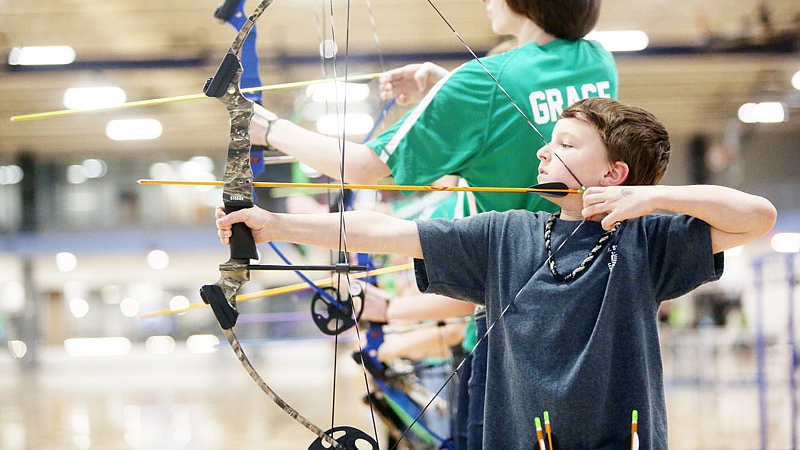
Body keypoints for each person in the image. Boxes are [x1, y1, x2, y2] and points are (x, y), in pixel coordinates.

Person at [217, 98, 777, 449]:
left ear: (614, 171)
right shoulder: (508, 233)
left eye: (564, 144)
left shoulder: (649, 241)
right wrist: (271, 224)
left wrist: (655, 198)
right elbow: (386, 233)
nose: (542, 151)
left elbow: (757, 217)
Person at [249, 0, 617, 448]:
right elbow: (528, 118)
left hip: (504, 334)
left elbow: (361, 166)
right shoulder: (598, 64)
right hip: (584, 323)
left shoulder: (483, 83)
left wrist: (264, 128)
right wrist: (443, 87)